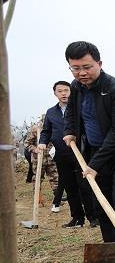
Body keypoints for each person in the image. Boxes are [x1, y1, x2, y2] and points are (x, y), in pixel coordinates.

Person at [63, 41, 115, 263]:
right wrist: (70, 131)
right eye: (75, 68)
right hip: (96, 151)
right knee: (100, 204)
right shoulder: (76, 87)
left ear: (99, 63)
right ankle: (111, 251)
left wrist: (94, 165)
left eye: (87, 67)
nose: (82, 73)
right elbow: (72, 113)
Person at [38, 81, 95, 228]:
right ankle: (77, 218)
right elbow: (46, 131)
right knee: (70, 188)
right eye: (60, 91)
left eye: (66, 90)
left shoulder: (79, 108)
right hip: (62, 155)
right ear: (55, 94)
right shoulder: (51, 112)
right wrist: (42, 142)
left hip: (80, 153)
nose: (64, 93)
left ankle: (93, 218)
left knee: (85, 186)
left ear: (71, 92)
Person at [25, 117, 59, 207]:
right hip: (38, 159)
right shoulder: (35, 129)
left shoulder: (54, 128)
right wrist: (35, 149)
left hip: (50, 158)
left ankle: (57, 199)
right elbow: (27, 144)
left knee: (55, 178)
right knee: (37, 179)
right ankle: (38, 199)